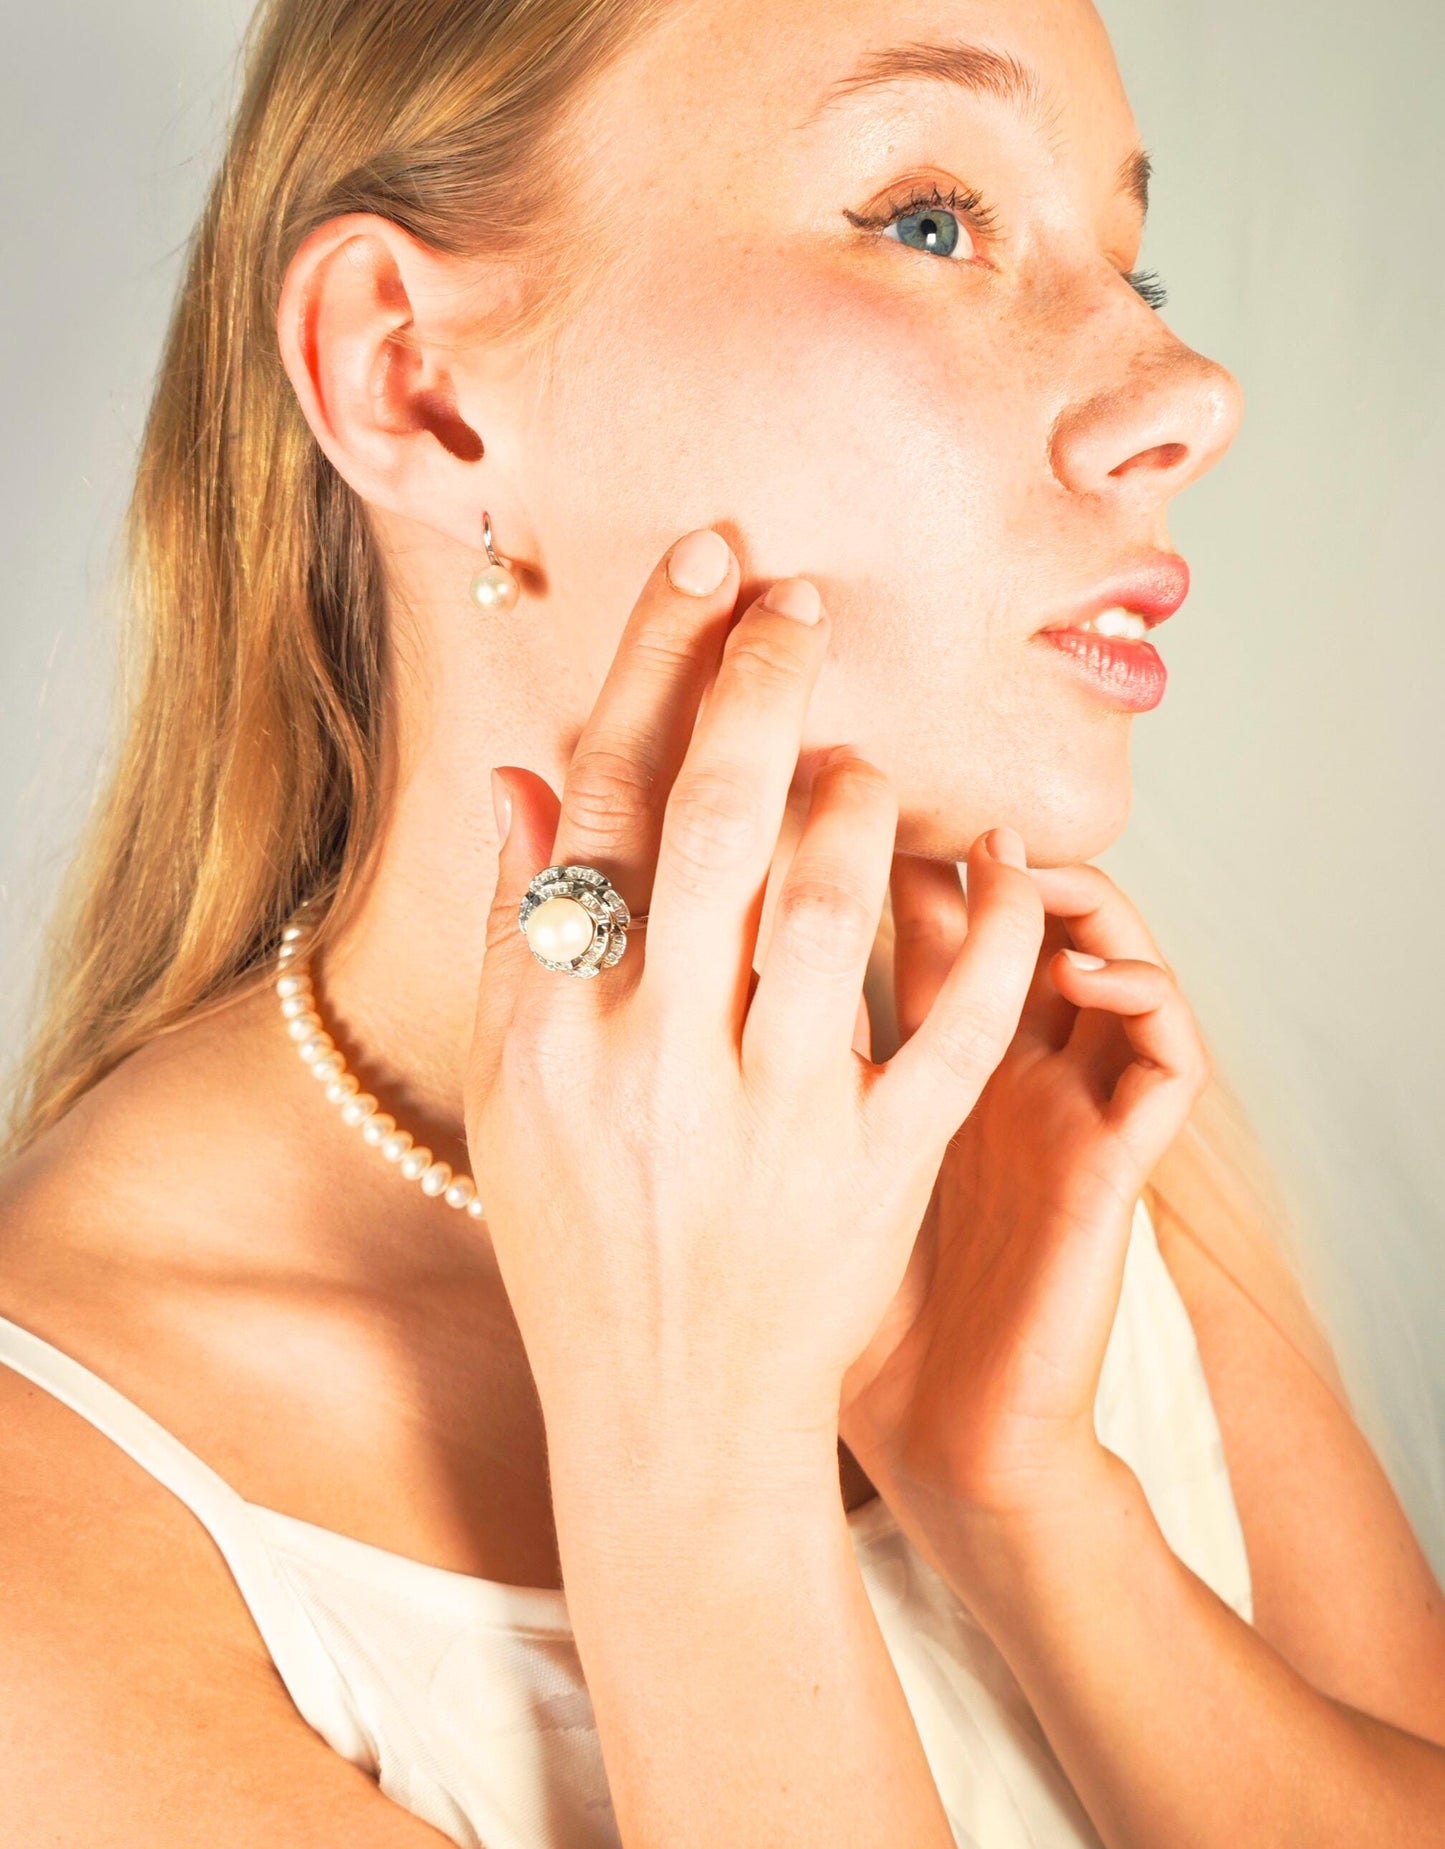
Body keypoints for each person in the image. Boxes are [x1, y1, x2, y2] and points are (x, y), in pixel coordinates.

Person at [1, 0, 1442, 1843]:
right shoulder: (53, 1529)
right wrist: (693, 1468)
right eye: (929, 217)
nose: (1186, 389)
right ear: (413, 383)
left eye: (1129, 255)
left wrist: (1026, 1496)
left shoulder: (1020, 1112)